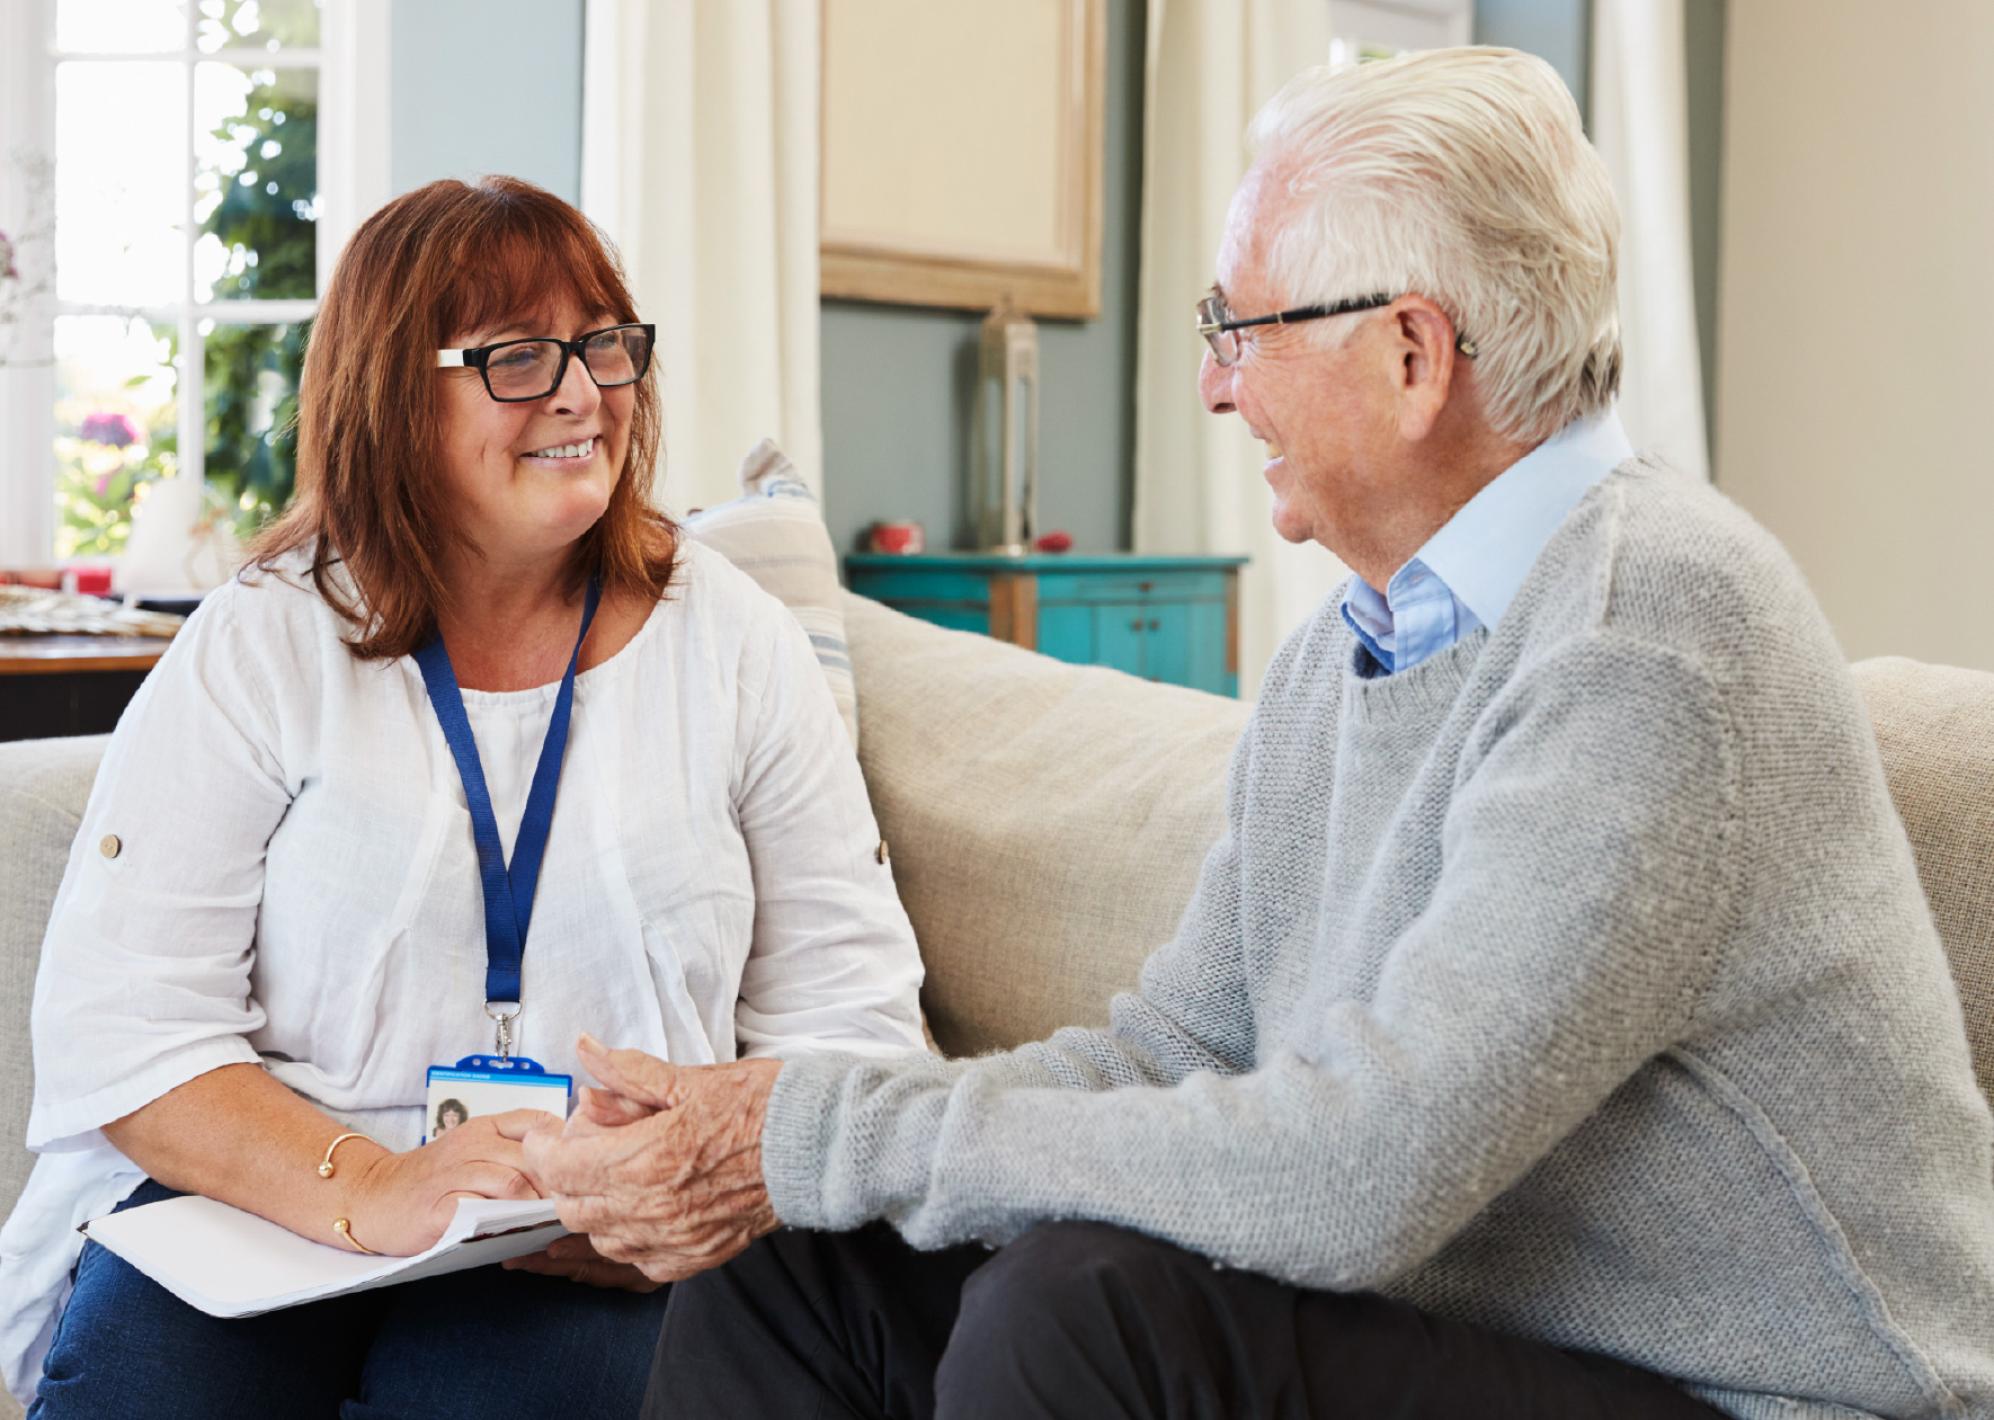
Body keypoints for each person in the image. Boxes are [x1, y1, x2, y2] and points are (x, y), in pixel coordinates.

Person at [521, 48, 1994, 1420]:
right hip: (1480, 1344)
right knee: (801, 1262)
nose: (1216, 383)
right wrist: (797, 1133)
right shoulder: (1348, 653)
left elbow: (1364, 1171)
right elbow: (1174, 1051)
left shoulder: (1650, 635)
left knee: (1077, 1311)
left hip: (1762, 1396)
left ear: (1412, 354)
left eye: (1240, 327)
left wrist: (810, 1135)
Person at [0, 176, 926, 1417]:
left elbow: (851, 1021)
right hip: (272, 1200)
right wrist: (375, 1185)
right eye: (518, 356)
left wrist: (688, 1194)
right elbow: (125, 1027)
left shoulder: (734, 642)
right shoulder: (262, 640)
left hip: (588, 1233)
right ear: (391, 393)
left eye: (603, 344)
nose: (583, 392)